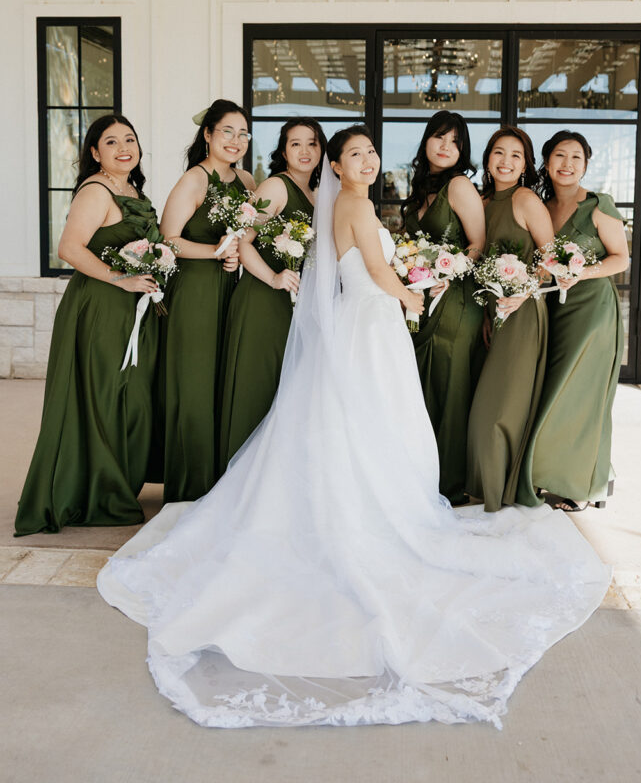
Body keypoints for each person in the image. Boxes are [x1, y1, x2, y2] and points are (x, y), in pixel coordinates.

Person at [97, 125, 609, 730]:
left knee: (360, 422)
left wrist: (408, 285)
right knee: (377, 421)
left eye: (370, 153)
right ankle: (368, 510)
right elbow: (377, 270)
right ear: (337, 166)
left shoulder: (345, 202)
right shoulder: (356, 203)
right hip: (372, 322)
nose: (366, 161)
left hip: (363, 321)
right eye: (354, 155)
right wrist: (413, 298)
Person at [15, 116, 160, 536]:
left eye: (129, 139)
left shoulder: (131, 189)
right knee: (99, 397)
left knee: (127, 399)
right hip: (99, 307)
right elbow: (68, 248)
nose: (123, 147)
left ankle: (114, 484)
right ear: (95, 153)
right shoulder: (96, 190)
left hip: (132, 310)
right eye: (110, 142)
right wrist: (122, 279)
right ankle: (96, 493)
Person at [517, 131, 628, 511]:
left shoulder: (600, 205)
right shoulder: (541, 207)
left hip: (592, 311)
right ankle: (557, 472)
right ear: (547, 163)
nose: (567, 164)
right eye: (559, 156)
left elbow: (621, 259)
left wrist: (582, 273)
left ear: (585, 164)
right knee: (553, 392)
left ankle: (580, 486)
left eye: (576, 157)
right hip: (553, 309)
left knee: (581, 394)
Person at [158, 100, 256, 503]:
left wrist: (238, 253)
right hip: (195, 292)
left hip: (232, 290)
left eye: (243, 133)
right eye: (228, 132)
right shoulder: (193, 181)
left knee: (223, 381)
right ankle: (191, 485)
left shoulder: (248, 182)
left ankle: (223, 479)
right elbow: (167, 241)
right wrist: (216, 251)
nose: (236, 141)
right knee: (195, 383)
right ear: (208, 135)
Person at [217, 117, 326, 470]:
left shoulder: (318, 192)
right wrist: (274, 278)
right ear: (283, 151)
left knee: (285, 388)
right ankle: (243, 473)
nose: (305, 151)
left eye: (312, 143)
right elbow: (243, 242)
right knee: (258, 385)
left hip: (294, 305)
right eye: (296, 144)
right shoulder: (276, 187)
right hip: (262, 299)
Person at [466, 127, 554, 513]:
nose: (505, 161)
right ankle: (480, 486)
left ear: (525, 165)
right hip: (491, 313)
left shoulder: (525, 199)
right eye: (498, 153)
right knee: (481, 401)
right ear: (487, 159)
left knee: (500, 407)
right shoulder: (480, 202)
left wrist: (521, 294)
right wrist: (488, 309)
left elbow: (549, 261)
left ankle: (498, 490)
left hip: (522, 313)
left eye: (515, 155)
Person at [402, 112, 485, 505]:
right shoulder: (418, 189)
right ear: (426, 142)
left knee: (449, 384)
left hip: (454, 299)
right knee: (419, 385)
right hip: (419, 298)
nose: (446, 146)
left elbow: (478, 243)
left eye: (455, 141)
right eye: (439, 137)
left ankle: (450, 483)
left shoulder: (460, 186)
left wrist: (450, 273)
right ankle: (418, 472)